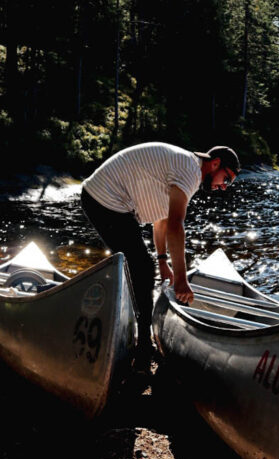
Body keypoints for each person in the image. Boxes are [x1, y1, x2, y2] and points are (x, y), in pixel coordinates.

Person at [80, 142, 240, 362]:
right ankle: (143, 346)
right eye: (227, 179)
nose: (224, 187)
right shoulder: (191, 171)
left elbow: (162, 220)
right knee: (142, 269)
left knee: (138, 267)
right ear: (214, 164)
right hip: (107, 199)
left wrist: (163, 261)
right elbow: (176, 226)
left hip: (102, 199)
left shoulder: (187, 167)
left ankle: (127, 328)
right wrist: (182, 280)